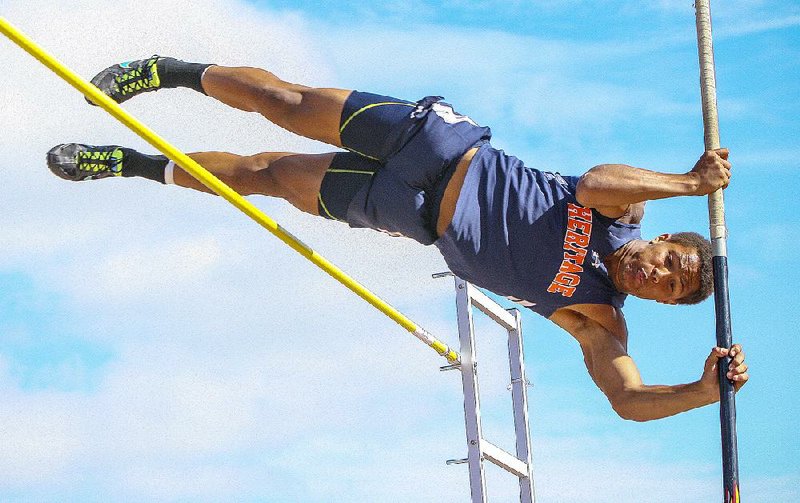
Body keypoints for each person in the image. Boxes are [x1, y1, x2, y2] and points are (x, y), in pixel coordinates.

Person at [47, 56, 748, 421]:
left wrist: (702, 389)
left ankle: (131, 162)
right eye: (673, 262)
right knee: (284, 103)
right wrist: (690, 183)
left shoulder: (599, 317)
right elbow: (593, 180)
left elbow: (626, 399)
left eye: (674, 288)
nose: (661, 276)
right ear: (664, 240)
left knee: (266, 175)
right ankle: (167, 71)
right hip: (436, 143)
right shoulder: (623, 207)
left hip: (406, 211)